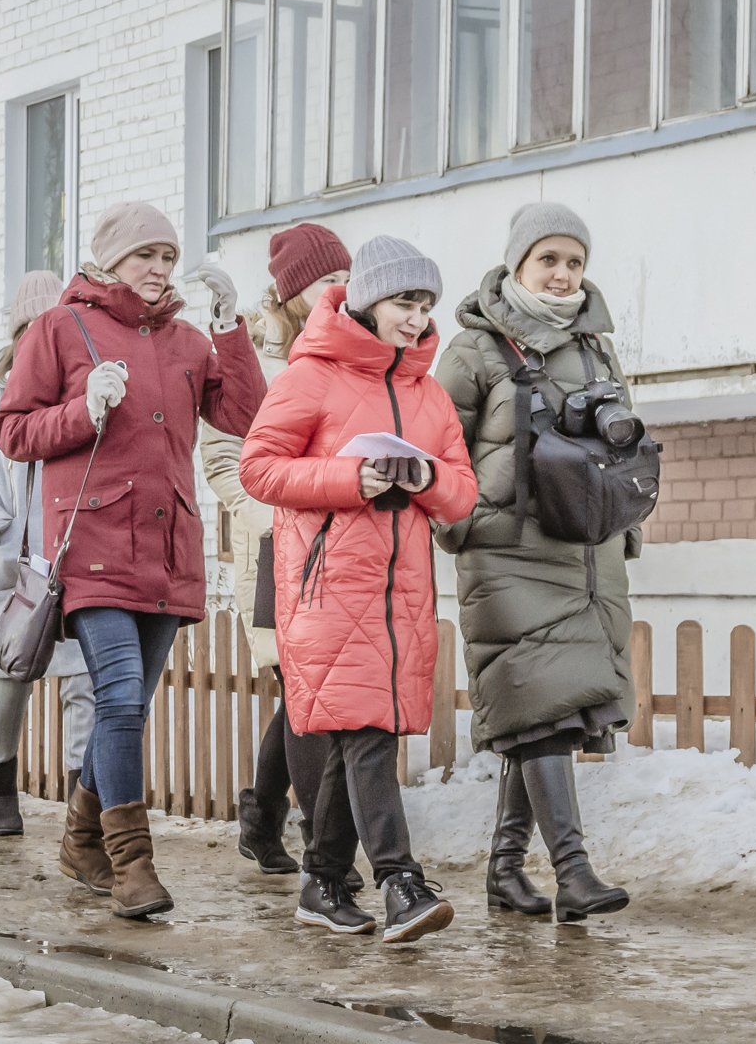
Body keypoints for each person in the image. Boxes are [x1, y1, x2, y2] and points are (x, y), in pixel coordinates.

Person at [0, 201, 266, 920]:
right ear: (109, 257)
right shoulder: (59, 327)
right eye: (146, 254)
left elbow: (244, 417)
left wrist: (230, 329)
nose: (159, 268)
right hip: (93, 548)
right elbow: (13, 431)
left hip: (169, 548)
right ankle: (132, 864)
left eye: (169, 257)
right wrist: (83, 409)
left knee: (130, 708)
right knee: (116, 698)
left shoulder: (185, 340)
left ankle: (82, 840)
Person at [239, 236, 478, 944]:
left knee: (355, 741)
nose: (416, 316)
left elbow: (463, 493)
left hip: (398, 594)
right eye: (405, 301)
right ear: (370, 301)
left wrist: (428, 479)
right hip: (327, 588)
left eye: (426, 303)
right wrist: (350, 481)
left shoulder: (429, 394)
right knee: (367, 736)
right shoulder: (311, 376)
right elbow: (259, 468)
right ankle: (401, 880)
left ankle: (321, 880)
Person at [434, 202, 634, 923]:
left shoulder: (596, 349)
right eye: (549, 259)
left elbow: (616, 448)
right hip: (504, 552)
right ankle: (574, 871)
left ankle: (505, 867)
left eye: (574, 262)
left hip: (580, 551)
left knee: (540, 711)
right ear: (518, 263)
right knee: (540, 705)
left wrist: (624, 525)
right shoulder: (474, 350)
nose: (562, 274)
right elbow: (434, 447)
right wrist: (462, 524)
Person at [198, 223, 356, 882]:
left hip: (336, 546)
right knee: (306, 693)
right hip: (273, 550)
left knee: (304, 695)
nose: (341, 291)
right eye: (326, 280)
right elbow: (221, 460)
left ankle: (261, 817)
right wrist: (272, 508)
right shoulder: (254, 364)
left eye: (345, 277)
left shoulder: (346, 354)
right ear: (293, 295)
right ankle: (328, 855)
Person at [0, 271, 96, 838]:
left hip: (78, 561)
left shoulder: (85, 397)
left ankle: (83, 801)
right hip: (14, 568)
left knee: (84, 680)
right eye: (32, 326)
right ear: (17, 334)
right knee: (11, 679)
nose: (43, 335)